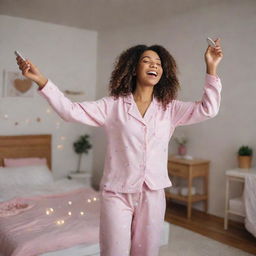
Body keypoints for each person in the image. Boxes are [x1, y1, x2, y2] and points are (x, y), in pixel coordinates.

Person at [16, 39, 223, 256]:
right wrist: (41, 80)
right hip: (117, 192)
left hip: (153, 191)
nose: (154, 65)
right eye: (147, 61)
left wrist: (211, 66)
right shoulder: (112, 105)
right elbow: (69, 111)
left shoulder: (169, 108)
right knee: (114, 251)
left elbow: (208, 109)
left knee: (147, 251)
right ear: (134, 69)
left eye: (158, 63)